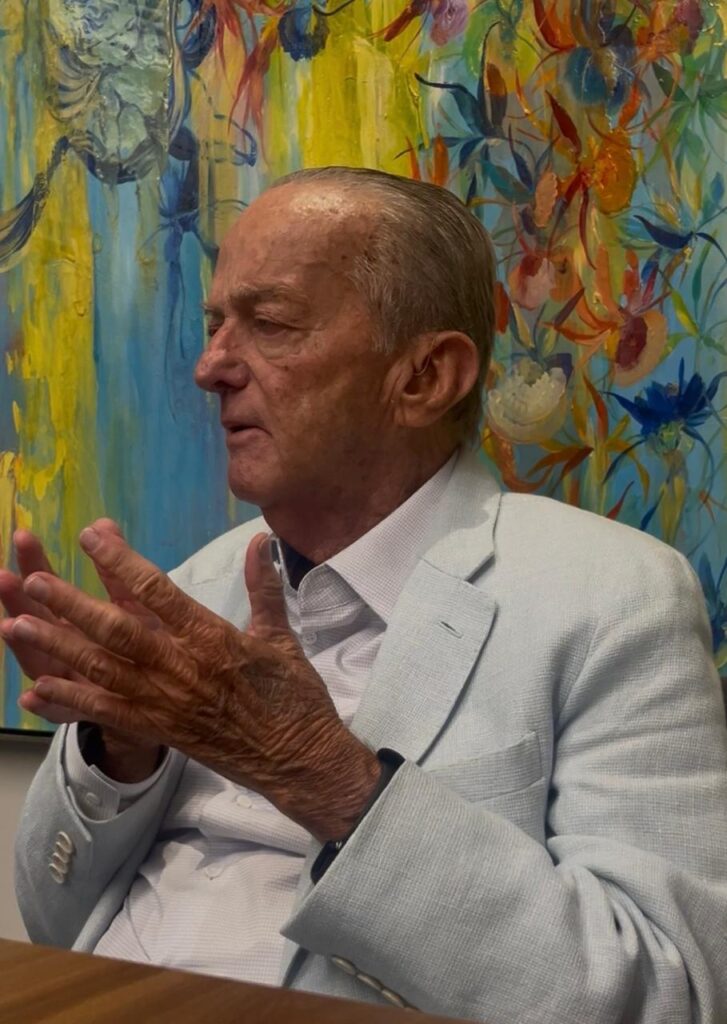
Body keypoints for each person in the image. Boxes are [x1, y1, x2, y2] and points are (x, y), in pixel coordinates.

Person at [4, 167, 727, 1024]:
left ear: (424, 377)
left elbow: (667, 995)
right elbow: (57, 921)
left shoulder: (611, 597)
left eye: (269, 324)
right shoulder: (194, 586)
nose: (209, 368)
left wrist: (326, 776)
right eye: (213, 324)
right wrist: (119, 753)